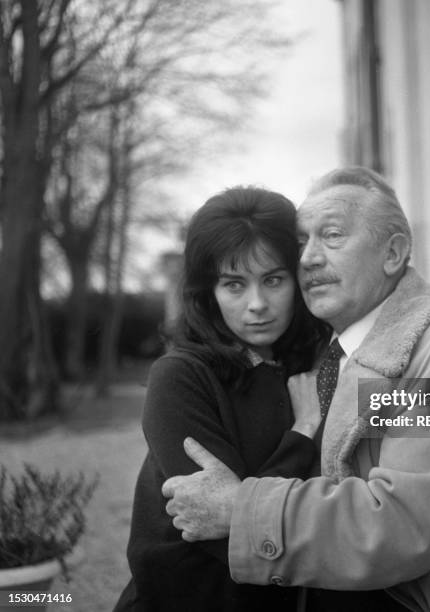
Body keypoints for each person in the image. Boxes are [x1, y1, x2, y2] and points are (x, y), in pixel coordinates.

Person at [162, 167, 430, 611]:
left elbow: (400, 525)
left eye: (331, 235)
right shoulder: (320, 351)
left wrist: (242, 510)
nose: (308, 258)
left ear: (393, 254)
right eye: (300, 241)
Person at [114, 187, 329, 612]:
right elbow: (222, 532)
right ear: (207, 292)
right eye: (234, 284)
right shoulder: (179, 376)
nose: (257, 305)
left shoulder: (307, 363)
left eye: (273, 279)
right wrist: (302, 435)